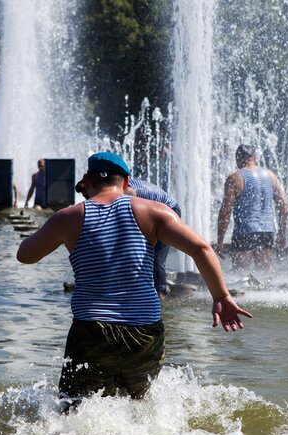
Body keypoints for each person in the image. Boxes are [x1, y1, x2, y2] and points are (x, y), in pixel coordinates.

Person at [17, 152, 251, 407]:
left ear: (86, 180)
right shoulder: (154, 212)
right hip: (144, 332)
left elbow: (25, 256)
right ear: (127, 181)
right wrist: (221, 296)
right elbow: (202, 249)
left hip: (91, 330)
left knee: (75, 409)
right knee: (139, 408)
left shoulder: (69, 217)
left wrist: (55, 231)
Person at [217, 145, 288, 273]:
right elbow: (284, 206)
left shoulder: (235, 178)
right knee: (265, 276)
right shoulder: (271, 176)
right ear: (254, 158)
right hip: (267, 231)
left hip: (244, 232)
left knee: (240, 275)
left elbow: (225, 212)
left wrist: (220, 240)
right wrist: (282, 233)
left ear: (238, 160)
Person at [125, 177, 181, 296]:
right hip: (156, 210)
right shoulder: (117, 187)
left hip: (169, 210)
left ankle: (161, 294)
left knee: (156, 256)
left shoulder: (126, 191)